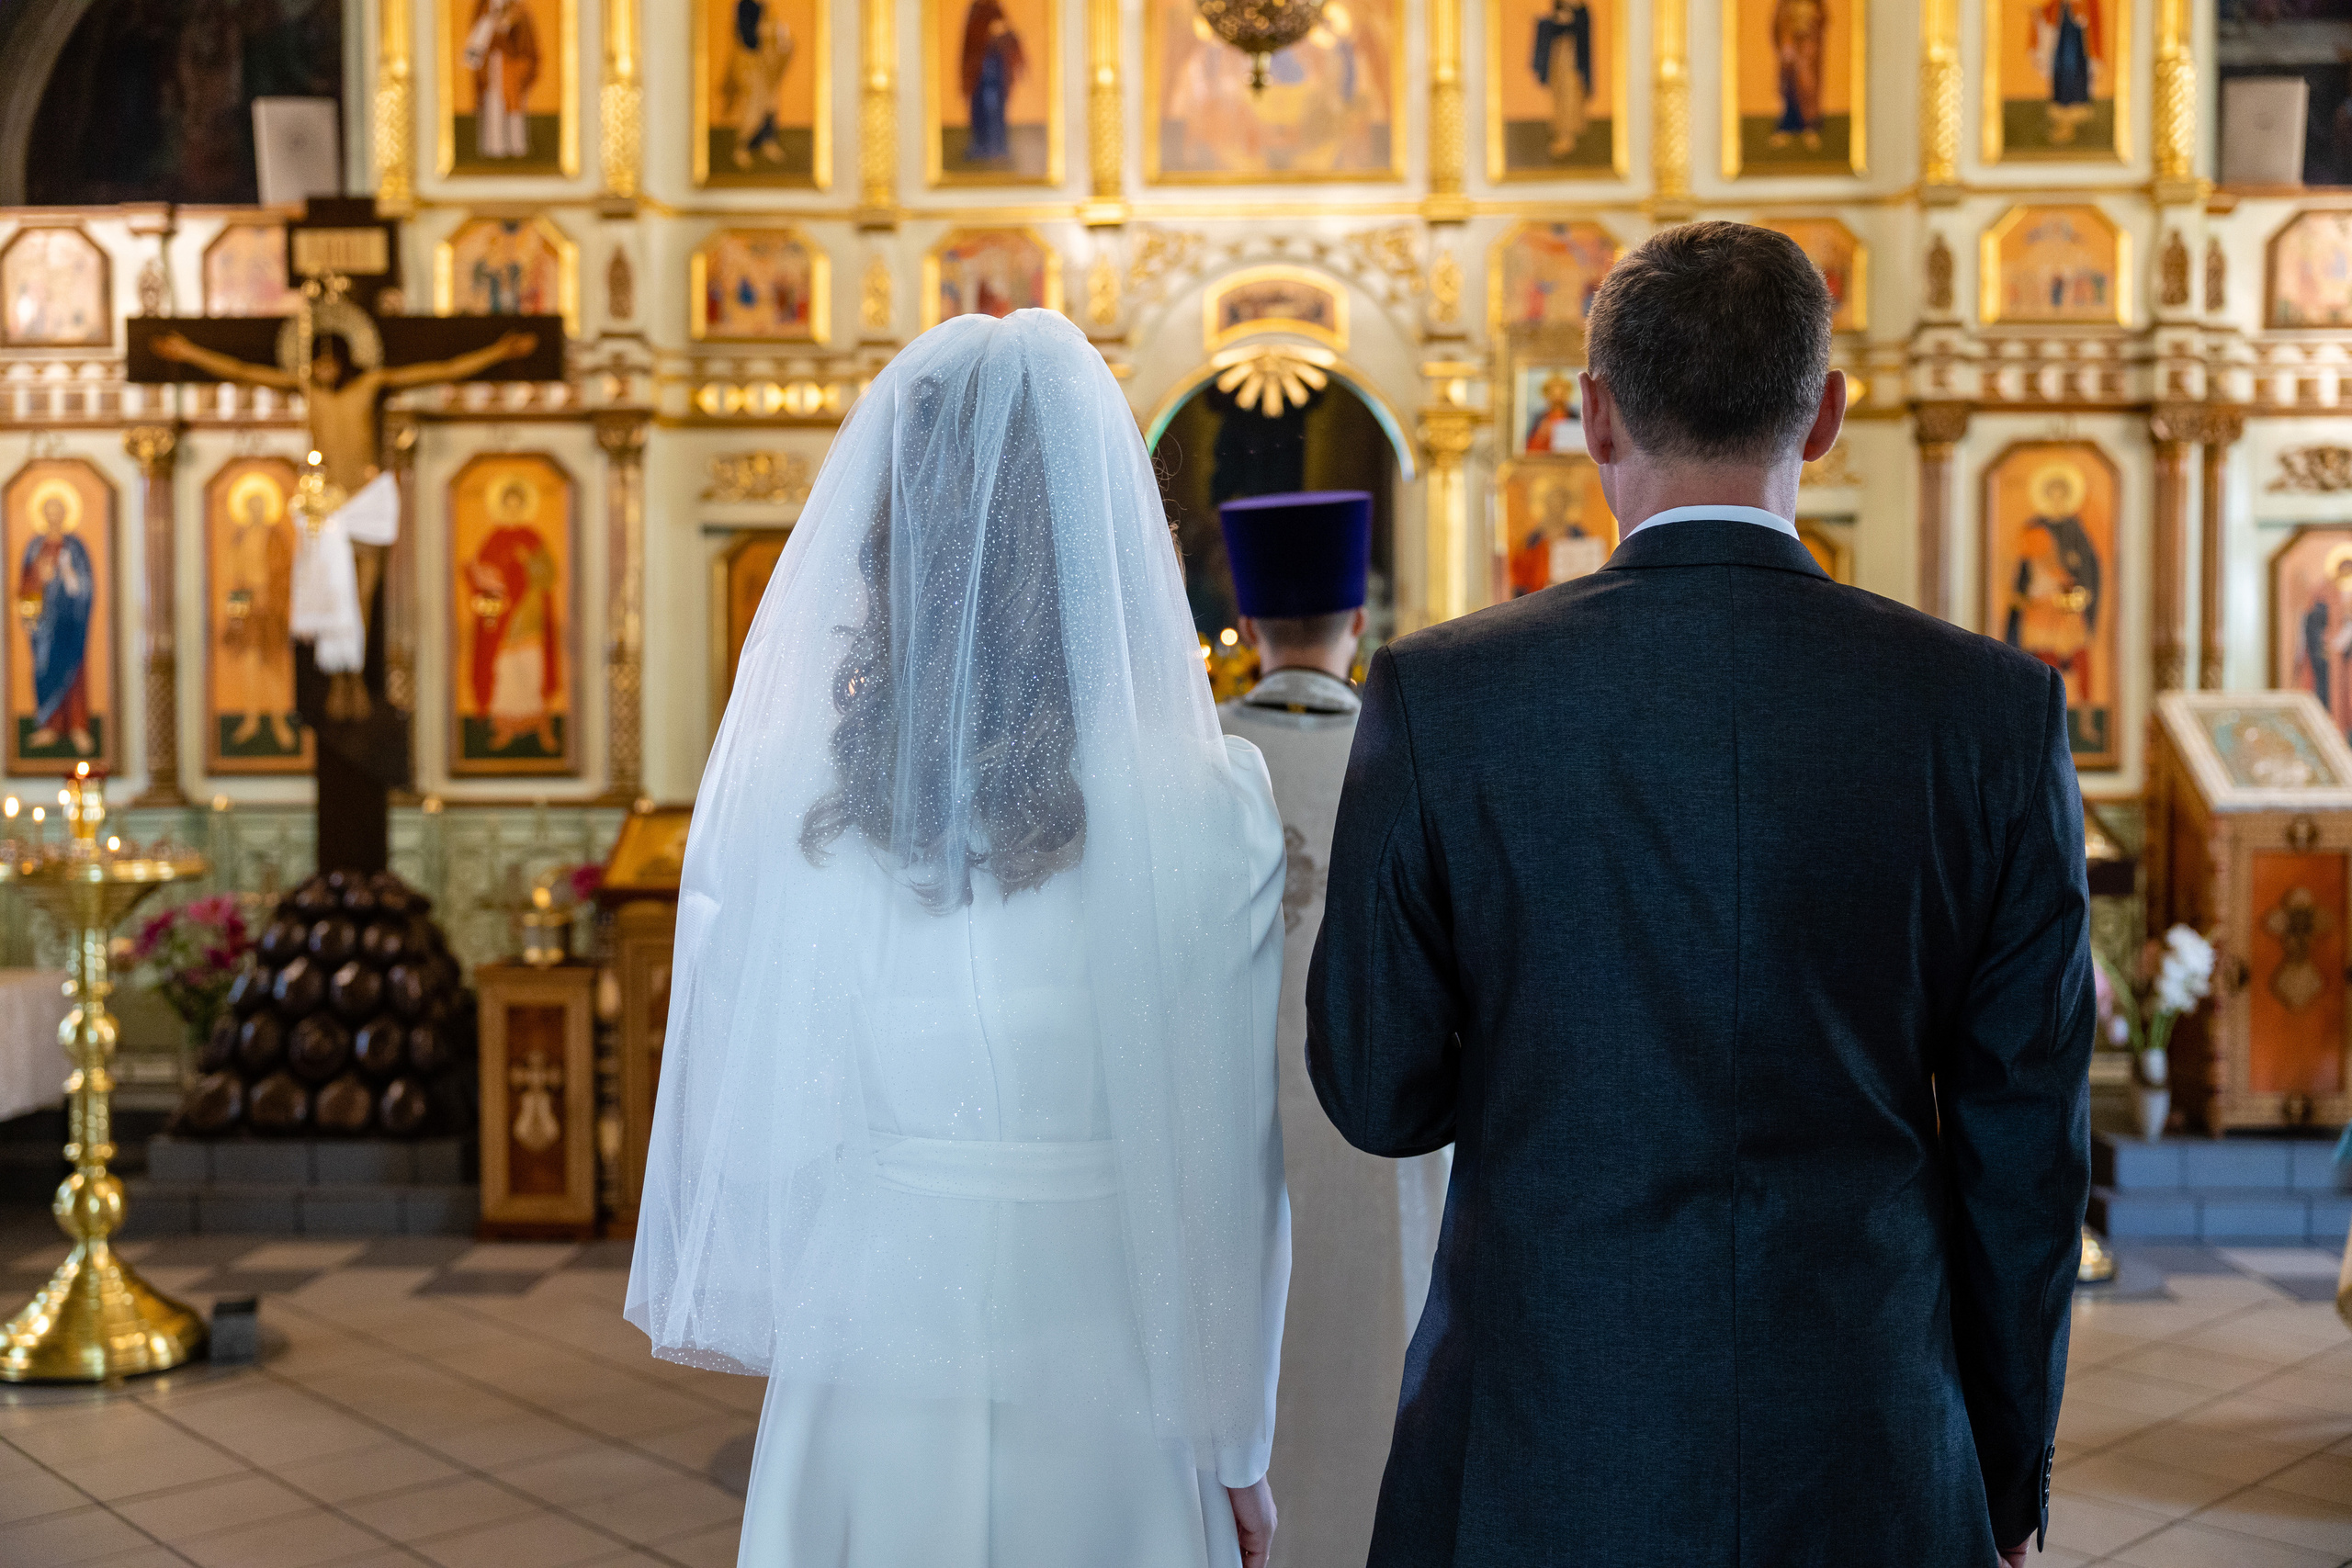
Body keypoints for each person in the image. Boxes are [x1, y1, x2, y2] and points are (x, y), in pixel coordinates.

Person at [1307, 221, 2091, 1568]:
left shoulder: (1448, 696)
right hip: (1869, 1437)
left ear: (1593, 416)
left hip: (1541, 1434)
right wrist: (2002, 1469)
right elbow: (2029, 1153)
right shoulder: (1989, 712)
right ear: (1829, 414)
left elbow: (1377, 1089)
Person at [627, 309, 1292, 1568]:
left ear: (894, 543)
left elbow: (765, 1127)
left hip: (869, 1343)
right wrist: (1237, 1444)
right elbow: (1226, 1163)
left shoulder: (799, 793)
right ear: (1105, 549)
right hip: (1107, 1359)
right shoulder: (1206, 805)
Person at [1216, 492, 1446, 1568]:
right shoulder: (1416, 752)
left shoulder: (1196, 756)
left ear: (1251, 627)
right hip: (1378, 1137)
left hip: (1225, 1138)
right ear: (1357, 621)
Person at [17, 481, 95, 756]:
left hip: (70, 622)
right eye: (48, 510)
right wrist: (30, 614)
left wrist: (67, 574)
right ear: (43, 514)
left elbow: (85, 587)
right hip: (42, 626)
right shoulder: (35, 547)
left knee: (72, 672)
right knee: (43, 670)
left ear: (64, 514)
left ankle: (77, 727)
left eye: (58, 510)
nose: (53, 515)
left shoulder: (75, 547)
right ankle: (49, 726)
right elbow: (26, 585)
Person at [463, 0, 538, 161]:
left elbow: (524, 38)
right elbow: (478, 38)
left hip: (511, 65)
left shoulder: (518, 8)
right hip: (491, 65)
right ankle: (493, 147)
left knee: (514, 106)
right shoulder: (483, 8)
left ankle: (516, 145)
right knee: (493, 103)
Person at [960, 0, 1026, 163]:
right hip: (979, 73)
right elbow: (971, 44)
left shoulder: (995, 9)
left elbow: (1008, 36)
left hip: (995, 71)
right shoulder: (976, 10)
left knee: (995, 110)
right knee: (980, 110)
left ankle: (997, 147)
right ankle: (981, 147)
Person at [1529, 0, 1591, 159]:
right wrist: (1550, 22)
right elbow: (1552, 28)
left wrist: (1569, 21)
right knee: (1559, 97)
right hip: (1558, 59)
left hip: (1572, 61)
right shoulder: (1559, 5)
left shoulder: (1581, 10)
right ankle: (1561, 135)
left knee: (1570, 96)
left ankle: (1568, 138)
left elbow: (1581, 30)